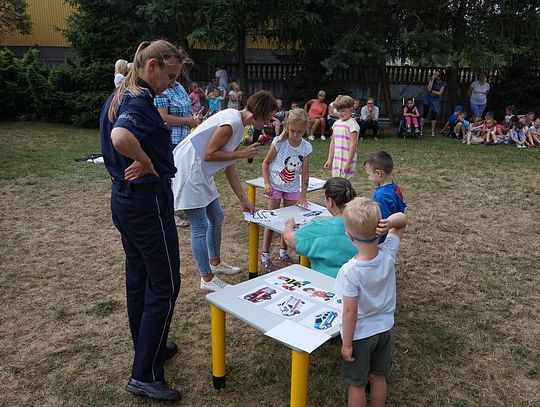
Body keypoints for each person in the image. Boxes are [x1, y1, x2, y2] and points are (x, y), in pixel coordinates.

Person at [99, 40, 188, 402]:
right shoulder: (137, 100)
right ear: (152, 65)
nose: (171, 83)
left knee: (139, 277)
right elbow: (121, 136)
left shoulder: (123, 92)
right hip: (146, 202)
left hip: (126, 199)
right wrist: (148, 162)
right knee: (165, 283)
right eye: (169, 75)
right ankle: (145, 374)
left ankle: (148, 347)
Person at [172, 90, 278, 291]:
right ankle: (207, 279)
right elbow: (210, 153)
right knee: (200, 225)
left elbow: (230, 168)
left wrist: (243, 199)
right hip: (189, 171)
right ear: (261, 111)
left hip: (201, 171)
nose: (269, 122)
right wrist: (242, 153)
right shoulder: (232, 122)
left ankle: (215, 262)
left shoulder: (238, 124)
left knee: (217, 215)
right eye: (269, 116)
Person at [335, 197, 407, 407]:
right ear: (380, 228)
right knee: (378, 377)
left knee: (357, 385)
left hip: (360, 336)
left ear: (349, 236)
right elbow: (402, 221)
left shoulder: (349, 272)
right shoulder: (388, 253)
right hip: (384, 329)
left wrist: (346, 344)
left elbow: (350, 312)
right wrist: (389, 224)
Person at [260, 108, 312, 272]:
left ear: (305, 130)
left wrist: (303, 195)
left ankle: (283, 253)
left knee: (289, 221)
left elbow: (305, 173)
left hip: (292, 188)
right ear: (287, 126)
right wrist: (267, 183)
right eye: (293, 130)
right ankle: (265, 254)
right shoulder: (279, 142)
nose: (296, 135)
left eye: (300, 132)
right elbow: (265, 163)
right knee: (271, 221)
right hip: (275, 187)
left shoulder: (306, 147)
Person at [282, 177, 358, 278]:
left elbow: (289, 238)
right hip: (358, 282)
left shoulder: (320, 226)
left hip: (326, 283)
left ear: (330, 201)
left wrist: (289, 225)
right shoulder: (363, 222)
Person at [155, 78, 201, 228]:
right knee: (171, 176)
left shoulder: (179, 86)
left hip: (185, 138)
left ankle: (178, 206)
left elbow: (187, 107)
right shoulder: (161, 89)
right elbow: (163, 117)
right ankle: (170, 214)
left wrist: (193, 119)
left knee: (182, 174)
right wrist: (188, 121)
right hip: (171, 139)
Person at [364, 151, 406, 243]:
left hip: (382, 242)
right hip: (394, 233)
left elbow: (380, 224)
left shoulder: (381, 197)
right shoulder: (394, 187)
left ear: (378, 173)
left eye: (369, 174)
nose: (368, 178)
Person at [323, 95, 360, 179]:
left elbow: (353, 145)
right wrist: (329, 159)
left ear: (351, 109)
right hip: (337, 160)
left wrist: (348, 163)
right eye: (338, 111)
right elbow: (333, 143)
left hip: (347, 160)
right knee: (336, 182)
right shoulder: (336, 124)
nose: (340, 113)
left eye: (343, 111)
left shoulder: (352, 124)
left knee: (345, 184)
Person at [421, 70, 447, 137]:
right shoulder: (432, 80)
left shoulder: (443, 83)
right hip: (427, 98)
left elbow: (440, 93)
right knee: (425, 113)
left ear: (440, 77)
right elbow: (429, 88)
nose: (435, 75)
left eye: (437, 74)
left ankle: (432, 131)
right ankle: (420, 129)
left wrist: (432, 91)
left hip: (435, 100)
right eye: (435, 74)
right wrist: (432, 79)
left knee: (434, 114)